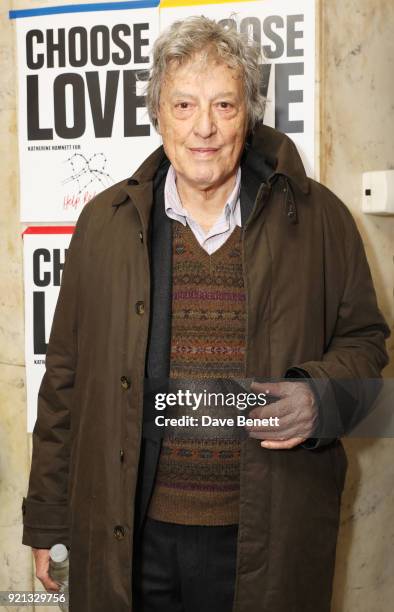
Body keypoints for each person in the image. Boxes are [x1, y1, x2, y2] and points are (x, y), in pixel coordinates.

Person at [22, 15, 390, 612]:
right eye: (184, 104)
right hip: (130, 539)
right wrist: (46, 519)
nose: (204, 128)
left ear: (249, 113)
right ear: (158, 115)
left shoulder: (321, 220)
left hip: (267, 543)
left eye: (224, 104)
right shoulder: (104, 225)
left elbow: (369, 348)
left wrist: (321, 399)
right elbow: (63, 380)